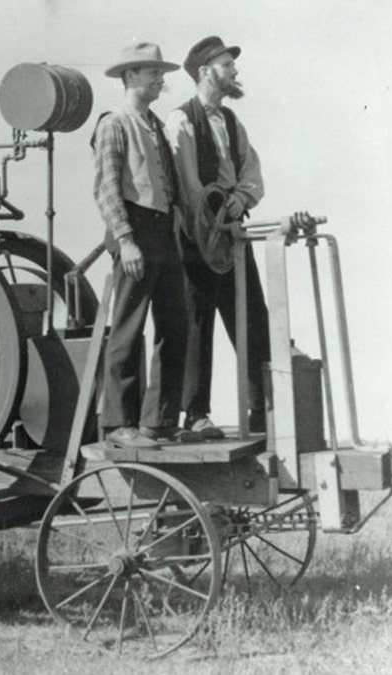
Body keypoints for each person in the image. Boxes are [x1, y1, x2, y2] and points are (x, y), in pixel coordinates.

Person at [92, 42, 201, 449]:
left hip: (164, 231)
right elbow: (106, 189)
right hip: (134, 231)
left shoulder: (154, 123)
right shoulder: (114, 124)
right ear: (130, 76)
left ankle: (160, 421)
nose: (160, 79)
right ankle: (120, 424)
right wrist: (125, 240)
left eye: (160, 72)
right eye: (151, 72)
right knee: (128, 327)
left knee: (175, 326)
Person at [165, 36, 269, 438]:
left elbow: (253, 176)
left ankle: (262, 410)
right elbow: (189, 187)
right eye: (228, 65)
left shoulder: (231, 122)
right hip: (196, 238)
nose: (235, 72)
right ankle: (195, 414)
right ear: (206, 72)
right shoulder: (181, 121)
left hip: (232, 234)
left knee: (252, 317)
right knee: (196, 320)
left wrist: (239, 202)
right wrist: (210, 219)